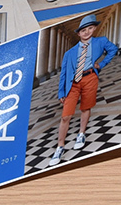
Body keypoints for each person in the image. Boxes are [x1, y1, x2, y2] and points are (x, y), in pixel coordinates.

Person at [49, 13, 117, 164]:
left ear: (94, 29)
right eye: (83, 30)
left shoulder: (101, 41)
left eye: (90, 28)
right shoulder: (69, 53)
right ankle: (60, 146)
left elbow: (113, 49)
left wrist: (102, 64)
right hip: (73, 83)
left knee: (86, 107)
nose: (87, 32)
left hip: (90, 78)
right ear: (78, 33)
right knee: (66, 116)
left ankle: (81, 133)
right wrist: (61, 92)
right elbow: (64, 73)